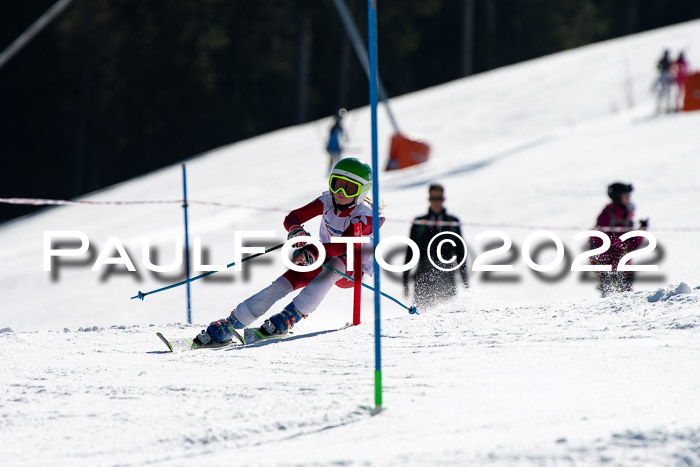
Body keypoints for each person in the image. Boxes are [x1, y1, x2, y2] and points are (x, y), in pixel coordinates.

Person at [195, 158, 379, 346]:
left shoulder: (364, 216)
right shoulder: (327, 201)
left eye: (349, 189)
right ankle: (232, 323)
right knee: (281, 284)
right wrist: (295, 230)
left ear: (362, 191)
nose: (340, 192)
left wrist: (314, 249)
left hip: (352, 267)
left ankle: (288, 317)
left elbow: (342, 247)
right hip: (325, 254)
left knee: (335, 265)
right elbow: (293, 217)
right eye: (337, 184)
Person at [402, 184, 468, 308]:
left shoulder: (452, 221)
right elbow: (411, 251)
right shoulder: (419, 222)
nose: (436, 201)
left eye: (439, 198)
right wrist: (405, 279)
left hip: (447, 272)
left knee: (447, 313)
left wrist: (464, 278)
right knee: (421, 312)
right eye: (433, 198)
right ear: (429, 199)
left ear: (443, 199)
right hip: (423, 272)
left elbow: (460, 250)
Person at [590, 182, 649, 297]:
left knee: (626, 301)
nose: (629, 197)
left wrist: (642, 230)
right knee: (610, 300)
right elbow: (600, 240)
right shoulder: (607, 215)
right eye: (626, 195)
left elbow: (632, 246)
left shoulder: (627, 215)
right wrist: (622, 241)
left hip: (625, 269)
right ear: (617, 196)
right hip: (608, 267)